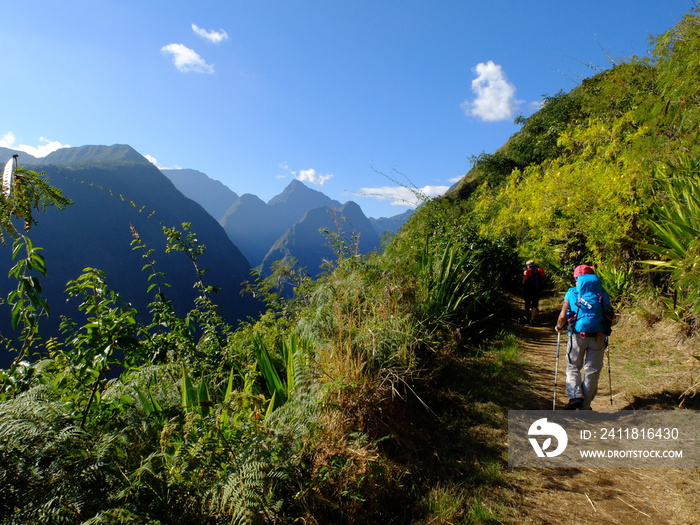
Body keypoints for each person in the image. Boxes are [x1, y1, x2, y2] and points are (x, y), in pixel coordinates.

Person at [555, 265, 614, 410]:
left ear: (576, 278)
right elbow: (610, 313)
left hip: (576, 335)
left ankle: (575, 396)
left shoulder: (572, 292)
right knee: (592, 369)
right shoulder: (601, 292)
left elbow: (563, 316)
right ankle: (586, 406)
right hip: (598, 336)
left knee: (573, 366)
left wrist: (558, 327)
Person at [522, 260, 546, 324]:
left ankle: (526, 317)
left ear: (529, 265)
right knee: (534, 304)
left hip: (528, 290)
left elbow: (523, 282)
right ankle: (532, 319)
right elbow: (543, 278)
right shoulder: (540, 270)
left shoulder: (527, 271)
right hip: (537, 289)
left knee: (527, 303)